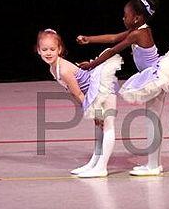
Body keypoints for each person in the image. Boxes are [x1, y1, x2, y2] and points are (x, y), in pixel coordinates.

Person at [76, 0, 169, 176]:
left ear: (136, 18)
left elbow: (114, 50)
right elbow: (113, 38)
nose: (123, 18)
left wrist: (91, 64)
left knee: (153, 121)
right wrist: (90, 39)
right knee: (152, 119)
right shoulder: (140, 29)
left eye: (126, 15)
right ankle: (154, 164)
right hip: (153, 75)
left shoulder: (138, 33)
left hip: (155, 77)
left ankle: (153, 166)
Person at [35, 28, 123, 178]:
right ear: (38, 50)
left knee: (107, 127)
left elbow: (78, 93)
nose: (48, 52)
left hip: (102, 90)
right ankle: (94, 162)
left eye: (52, 49)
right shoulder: (53, 68)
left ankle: (102, 167)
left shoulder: (63, 70)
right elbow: (74, 92)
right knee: (99, 130)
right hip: (92, 95)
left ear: (60, 49)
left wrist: (95, 112)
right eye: (44, 49)